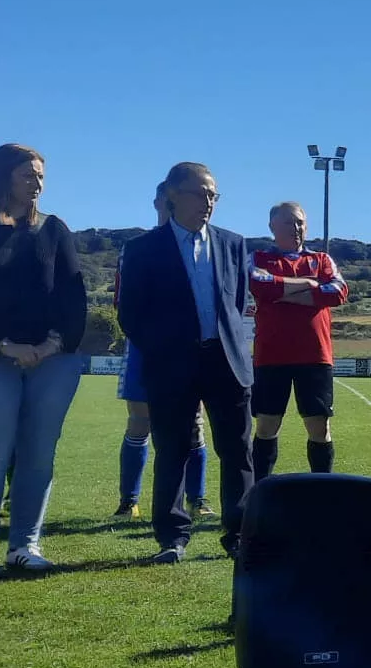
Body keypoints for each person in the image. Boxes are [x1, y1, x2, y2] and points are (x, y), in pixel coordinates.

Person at [0, 144, 88, 575]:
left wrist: (48, 347)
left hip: (53, 359)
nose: (37, 183)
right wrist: (5, 345)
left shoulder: (55, 230)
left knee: (39, 454)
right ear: (1, 177)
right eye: (28, 174)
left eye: (41, 175)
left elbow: (72, 298)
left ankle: (24, 545)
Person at [117, 162, 256, 564]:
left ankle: (239, 533)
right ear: (173, 195)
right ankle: (172, 537)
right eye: (200, 193)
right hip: (171, 364)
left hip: (225, 361)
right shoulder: (143, 249)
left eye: (213, 195)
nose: (208, 202)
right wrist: (165, 349)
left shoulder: (232, 243)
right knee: (173, 450)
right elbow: (131, 313)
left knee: (237, 451)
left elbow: (235, 302)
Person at [115, 183, 211, 519]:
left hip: (189, 352)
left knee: (194, 423)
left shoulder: (201, 247)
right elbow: (124, 305)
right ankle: (129, 501)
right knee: (139, 421)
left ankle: (198, 500)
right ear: (161, 201)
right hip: (146, 350)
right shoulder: (138, 248)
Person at [249, 201, 349, 479]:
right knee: (267, 425)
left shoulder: (322, 259)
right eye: (288, 223)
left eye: (300, 223)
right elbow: (259, 284)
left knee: (319, 427)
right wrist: (308, 284)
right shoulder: (259, 258)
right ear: (272, 227)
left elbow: (338, 291)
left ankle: (322, 489)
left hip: (315, 355)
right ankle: (260, 491)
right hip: (271, 355)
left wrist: (282, 294)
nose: (296, 228)